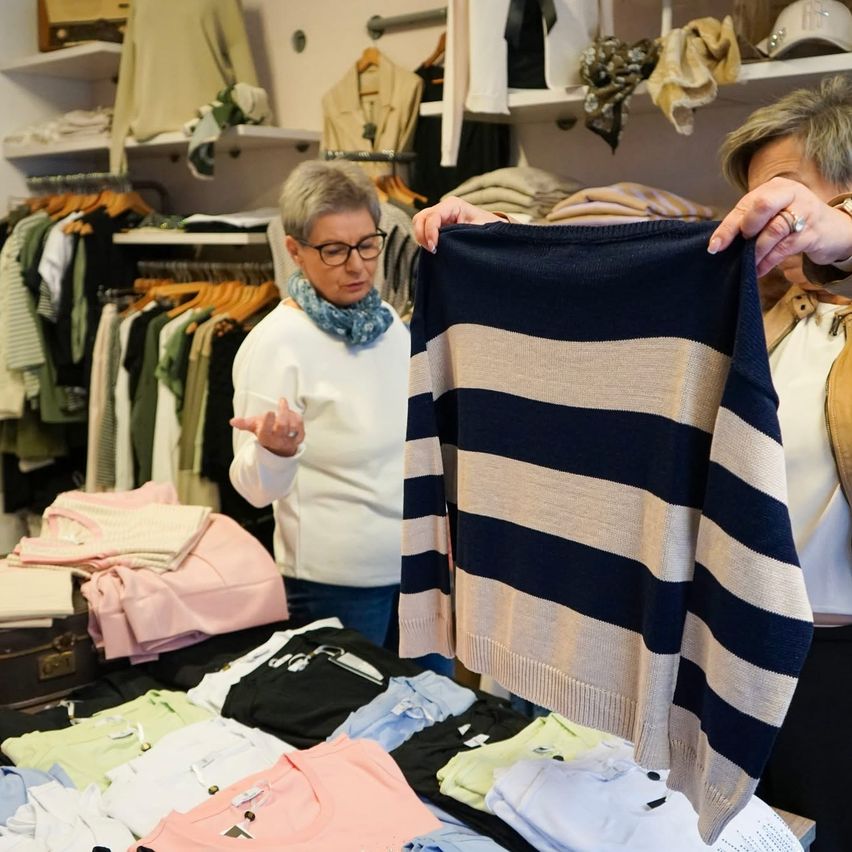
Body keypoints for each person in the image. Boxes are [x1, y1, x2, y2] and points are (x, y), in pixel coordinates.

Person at [411, 75, 852, 851]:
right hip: (714, 643)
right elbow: (597, 333)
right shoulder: (745, 306)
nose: (766, 222)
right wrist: (501, 251)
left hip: (836, 669)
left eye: (787, 196)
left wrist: (842, 240)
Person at [228, 159, 411, 650]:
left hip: (415, 573)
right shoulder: (276, 344)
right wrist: (276, 451)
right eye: (334, 250)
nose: (357, 265)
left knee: (434, 719)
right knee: (344, 723)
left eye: (369, 244)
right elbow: (253, 490)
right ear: (295, 251)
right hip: (333, 586)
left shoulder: (389, 324)